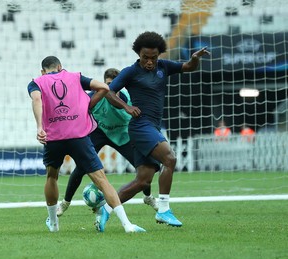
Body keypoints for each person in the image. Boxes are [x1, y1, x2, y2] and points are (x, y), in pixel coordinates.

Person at [95, 31, 210, 231]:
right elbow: (108, 91)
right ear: (138, 54)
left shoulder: (164, 67)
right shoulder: (130, 72)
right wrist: (127, 107)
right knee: (170, 158)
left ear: (159, 55)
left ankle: (105, 210)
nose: (149, 62)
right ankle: (163, 209)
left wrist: (194, 59)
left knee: (143, 181)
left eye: (153, 58)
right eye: (145, 57)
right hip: (141, 126)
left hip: (152, 126)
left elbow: (188, 67)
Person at [27, 56, 145, 233]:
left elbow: (36, 100)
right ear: (60, 67)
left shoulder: (36, 82)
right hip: (79, 135)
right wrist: (87, 106)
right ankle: (127, 225)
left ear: (43, 71)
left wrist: (39, 127)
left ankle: (53, 223)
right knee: (101, 180)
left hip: (54, 138)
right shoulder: (75, 77)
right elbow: (104, 87)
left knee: (52, 176)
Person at [56, 68, 159, 217]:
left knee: (144, 167)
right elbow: (79, 112)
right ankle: (65, 203)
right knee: (81, 167)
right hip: (100, 132)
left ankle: (148, 197)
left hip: (122, 135)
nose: (111, 88)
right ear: (104, 84)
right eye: (108, 84)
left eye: (114, 84)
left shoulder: (129, 100)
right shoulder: (95, 97)